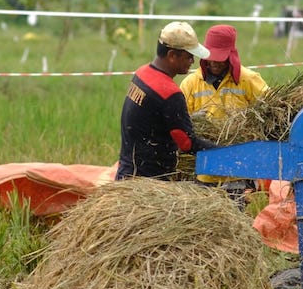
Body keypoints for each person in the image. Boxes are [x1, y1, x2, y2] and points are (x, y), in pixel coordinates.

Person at [115, 21, 216, 181]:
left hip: (127, 172)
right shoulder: (170, 93)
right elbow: (187, 143)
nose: (192, 61)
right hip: (149, 181)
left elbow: (153, 119)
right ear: (172, 56)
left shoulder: (142, 73)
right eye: (189, 56)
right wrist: (222, 151)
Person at [180, 24, 269, 193]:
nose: (213, 62)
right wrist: (192, 120)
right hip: (205, 172)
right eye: (209, 56)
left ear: (231, 55)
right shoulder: (191, 83)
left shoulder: (248, 80)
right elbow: (178, 124)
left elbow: (271, 111)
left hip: (238, 173)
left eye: (219, 57)